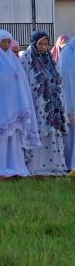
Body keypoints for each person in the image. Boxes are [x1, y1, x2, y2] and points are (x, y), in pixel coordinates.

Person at [0, 30, 39, 177]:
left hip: (14, 107)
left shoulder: (14, 61)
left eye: (8, 41)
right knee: (0, 139)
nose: (6, 45)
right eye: (3, 41)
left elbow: (22, 84)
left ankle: (15, 166)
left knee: (14, 138)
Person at [21, 30, 68, 175]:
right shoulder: (27, 59)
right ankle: (37, 167)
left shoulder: (50, 60)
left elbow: (58, 79)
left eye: (46, 44)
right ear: (34, 44)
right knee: (39, 131)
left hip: (51, 105)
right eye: (40, 44)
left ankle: (55, 165)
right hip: (36, 103)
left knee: (53, 133)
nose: (43, 47)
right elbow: (24, 82)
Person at [58, 38, 75, 170]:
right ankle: (70, 164)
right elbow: (64, 77)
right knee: (70, 134)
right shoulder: (68, 52)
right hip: (69, 98)